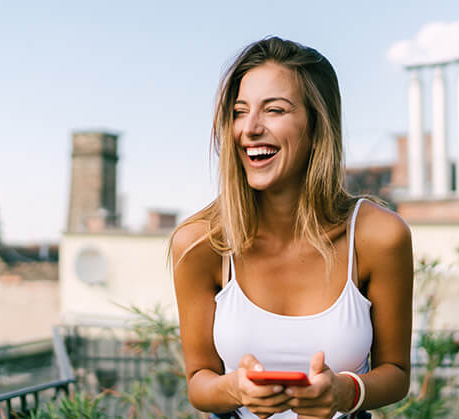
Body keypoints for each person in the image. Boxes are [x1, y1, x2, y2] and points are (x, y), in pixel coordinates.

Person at [170, 37, 413, 419]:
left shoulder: (379, 237)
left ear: (317, 126)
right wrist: (232, 387)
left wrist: (343, 392)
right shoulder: (201, 242)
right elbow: (199, 381)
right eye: (239, 111)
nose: (249, 128)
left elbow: (396, 374)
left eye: (275, 110)